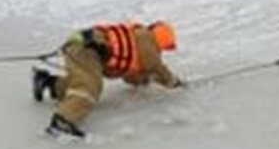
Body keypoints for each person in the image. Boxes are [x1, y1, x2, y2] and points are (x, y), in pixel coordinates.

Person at [32, 21, 183, 138]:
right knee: (89, 87)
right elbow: (157, 69)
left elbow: (131, 76)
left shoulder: (136, 39)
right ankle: (63, 121)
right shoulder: (146, 40)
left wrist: (142, 81)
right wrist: (175, 83)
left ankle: (47, 82)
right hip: (89, 48)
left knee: (80, 81)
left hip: (85, 44)